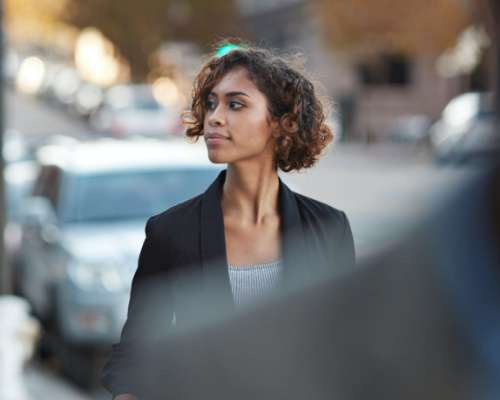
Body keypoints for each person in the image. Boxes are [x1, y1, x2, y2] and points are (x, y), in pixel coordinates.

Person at [101, 41, 355, 400]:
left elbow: (344, 351)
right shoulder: (170, 232)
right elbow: (134, 355)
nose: (215, 117)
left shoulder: (329, 229)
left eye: (236, 104)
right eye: (211, 103)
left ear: (282, 124)